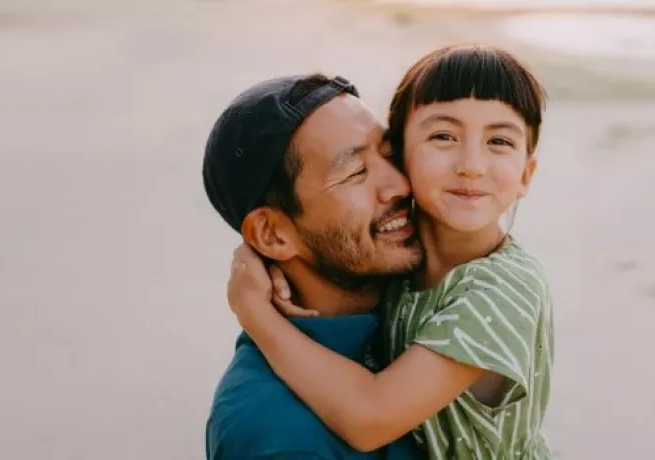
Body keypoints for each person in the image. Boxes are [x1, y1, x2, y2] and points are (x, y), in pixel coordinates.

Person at [227, 44, 554, 459]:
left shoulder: (502, 292)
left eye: (500, 141)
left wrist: (255, 314)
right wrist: (260, 257)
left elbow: (370, 417)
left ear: (526, 174)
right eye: (443, 136)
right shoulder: (402, 256)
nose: (472, 165)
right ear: (403, 154)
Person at [201, 73, 426, 459]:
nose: (400, 185)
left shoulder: (427, 307)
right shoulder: (278, 435)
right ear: (272, 234)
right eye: (355, 173)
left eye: (390, 154)